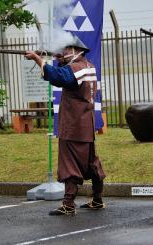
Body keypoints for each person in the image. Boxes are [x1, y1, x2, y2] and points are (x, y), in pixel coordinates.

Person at [25, 36, 106, 216]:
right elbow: (65, 74)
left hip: (74, 125)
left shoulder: (76, 69)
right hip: (85, 124)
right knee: (91, 164)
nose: (65, 52)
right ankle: (97, 199)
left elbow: (58, 77)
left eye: (68, 49)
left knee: (69, 166)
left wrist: (39, 60)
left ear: (78, 51)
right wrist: (57, 59)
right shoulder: (88, 66)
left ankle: (68, 204)